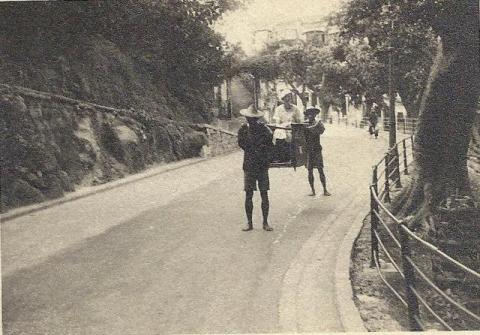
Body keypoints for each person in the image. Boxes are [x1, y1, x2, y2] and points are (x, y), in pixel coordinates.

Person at [238, 105, 274, 232]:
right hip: (249, 165)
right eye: (249, 118)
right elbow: (241, 143)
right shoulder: (243, 130)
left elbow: (270, 144)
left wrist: (264, 155)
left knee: (264, 193)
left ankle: (265, 222)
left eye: (253, 118)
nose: (250, 121)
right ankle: (249, 222)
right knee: (249, 194)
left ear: (257, 119)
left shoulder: (264, 130)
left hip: (262, 165)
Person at [304, 106, 331, 197]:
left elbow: (321, 131)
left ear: (315, 114)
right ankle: (312, 190)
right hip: (308, 150)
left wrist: (313, 128)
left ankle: (325, 189)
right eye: (309, 113)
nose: (311, 115)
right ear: (307, 115)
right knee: (310, 170)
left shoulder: (318, 123)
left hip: (317, 149)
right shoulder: (304, 124)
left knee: (320, 169)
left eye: (313, 113)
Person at [272, 91, 303, 162]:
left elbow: (299, 121)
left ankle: (291, 156)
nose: (288, 101)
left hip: (293, 127)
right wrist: (282, 125)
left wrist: (293, 124)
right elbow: (277, 121)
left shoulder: (295, 109)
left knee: (290, 135)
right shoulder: (279, 109)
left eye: (289, 99)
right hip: (281, 127)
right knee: (279, 133)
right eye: (286, 99)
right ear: (283, 100)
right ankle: (281, 156)